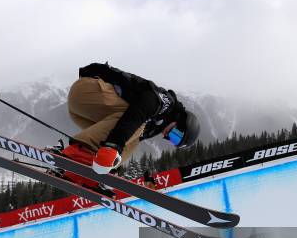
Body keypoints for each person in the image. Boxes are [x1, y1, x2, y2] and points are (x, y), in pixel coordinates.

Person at [56, 62, 200, 191]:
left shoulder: (157, 125)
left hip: (80, 110)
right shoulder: (166, 103)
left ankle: (86, 173)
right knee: (136, 123)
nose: (168, 137)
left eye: (173, 141)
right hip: (88, 90)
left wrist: (112, 164)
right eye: (175, 135)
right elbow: (139, 111)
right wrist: (112, 146)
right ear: (180, 122)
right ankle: (81, 154)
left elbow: (128, 139)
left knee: (133, 138)